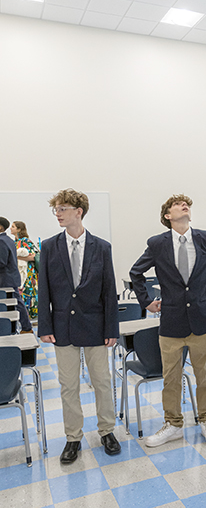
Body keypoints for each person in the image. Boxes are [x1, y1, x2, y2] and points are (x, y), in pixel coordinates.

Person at [130, 194, 206, 448]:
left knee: (205, 376)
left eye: (186, 203)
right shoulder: (157, 243)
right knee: (171, 377)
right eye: (177, 205)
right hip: (172, 321)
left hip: (201, 319)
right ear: (167, 216)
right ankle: (173, 424)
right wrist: (146, 302)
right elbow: (136, 272)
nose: (184, 206)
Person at [38, 189, 121, 464]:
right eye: (56, 209)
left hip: (96, 325)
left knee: (102, 381)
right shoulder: (49, 246)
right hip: (62, 326)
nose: (58, 213)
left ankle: (107, 431)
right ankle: (73, 437)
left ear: (79, 211)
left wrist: (112, 329)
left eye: (63, 208)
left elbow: (110, 291)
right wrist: (45, 325)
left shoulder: (102, 247)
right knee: (68, 385)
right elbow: (44, 290)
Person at [0, 216, 32, 333]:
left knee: (16, 304)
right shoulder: (8, 240)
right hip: (10, 278)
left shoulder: (2, 241)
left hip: (6, 279)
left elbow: (1, 261)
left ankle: (26, 328)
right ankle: (22, 328)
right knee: (16, 304)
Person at [11, 221, 38, 319]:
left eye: (13, 227)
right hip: (18, 272)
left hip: (28, 272)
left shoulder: (26, 241)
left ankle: (28, 315)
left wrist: (17, 257)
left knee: (27, 293)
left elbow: (34, 256)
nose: (11, 228)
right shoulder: (14, 242)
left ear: (19, 229)